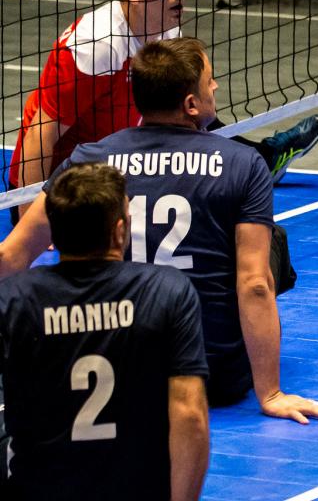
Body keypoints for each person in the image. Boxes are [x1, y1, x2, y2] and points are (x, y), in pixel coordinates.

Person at [0, 37, 318, 423]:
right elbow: (255, 284)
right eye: (209, 80)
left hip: (114, 361)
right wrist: (271, 393)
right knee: (269, 243)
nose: (215, 87)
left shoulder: (89, 159)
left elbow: (10, 257)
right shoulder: (244, 164)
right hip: (211, 378)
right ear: (191, 104)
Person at [6, 0, 318, 217]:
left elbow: (187, 112)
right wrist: (32, 217)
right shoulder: (96, 44)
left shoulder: (167, 29)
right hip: (69, 180)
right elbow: (39, 136)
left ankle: (259, 157)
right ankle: (263, 157)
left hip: (122, 161)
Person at [0, 162, 210, 500]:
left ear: (53, 232)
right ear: (119, 230)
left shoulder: (14, 298)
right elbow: (190, 416)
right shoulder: (168, 290)